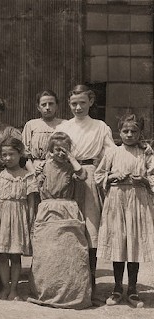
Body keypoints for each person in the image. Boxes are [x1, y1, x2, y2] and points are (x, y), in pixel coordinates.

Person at [55, 84, 115, 297]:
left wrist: (102, 172)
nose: (78, 107)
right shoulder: (64, 126)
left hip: (89, 175)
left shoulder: (100, 127)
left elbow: (112, 153)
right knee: (68, 225)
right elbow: (53, 149)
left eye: (82, 102)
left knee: (89, 228)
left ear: (91, 102)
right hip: (65, 175)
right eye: (74, 103)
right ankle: (68, 280)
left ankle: (90, 282)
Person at [95, 114, 154, 308]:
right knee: (119, 243)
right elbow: (99, 175)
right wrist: (113, 176)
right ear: (118, 132)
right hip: (117, 200)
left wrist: (143, 180)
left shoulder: (146, 152)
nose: (129, 135)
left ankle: (133, 289)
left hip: (137, 201)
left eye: (133, 131)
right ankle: (117, 287)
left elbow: (153, 175)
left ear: (140, 133)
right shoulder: (112, 152)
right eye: (125, 131)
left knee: (134, 245)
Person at [27, 132, 92, 309]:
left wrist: (71, 158)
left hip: (67, 211)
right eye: (57, 150)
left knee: (69, 254)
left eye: (65, 150)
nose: (61, 154)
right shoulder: (43, 167)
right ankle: (47, 290)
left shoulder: (72, 168)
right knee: (47, 254)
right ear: (50, 150)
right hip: (48, 210)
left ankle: (71, 294)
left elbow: (83, 175)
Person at [0, 138, 37, 301]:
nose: (8, 158)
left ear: (20, 154)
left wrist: (30, 219)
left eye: (12, 154)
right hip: (1, 215)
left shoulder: (27, 176)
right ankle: (5, 287)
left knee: (15, 254)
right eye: (4, 155)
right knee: (2, 254)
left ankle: (15, 288)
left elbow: (31, 200)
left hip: (19, 214)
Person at [22, 90, 65, 172]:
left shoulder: (64, 124)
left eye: (51, 104)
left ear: (56, 106)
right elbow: (25, 155)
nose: (48, 107)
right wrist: (33, 170)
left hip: (59, 169)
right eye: (44, 105)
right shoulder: (31, 125)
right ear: (38, 107)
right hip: (36, 168)